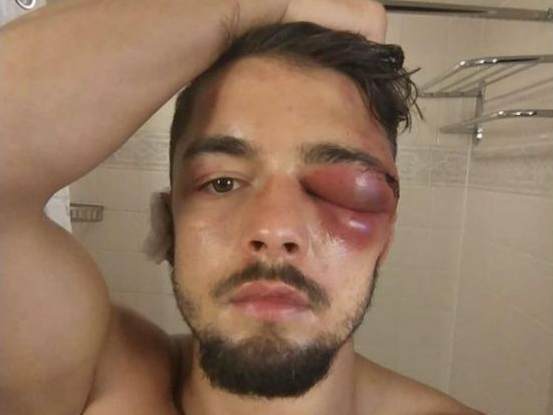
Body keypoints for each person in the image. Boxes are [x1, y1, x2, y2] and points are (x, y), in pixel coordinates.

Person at [0, 1, 484, 414]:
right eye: (222, 183)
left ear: (385, 238)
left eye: (334, 189)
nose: (274, 229)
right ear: (168, 225)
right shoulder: (99, 382)